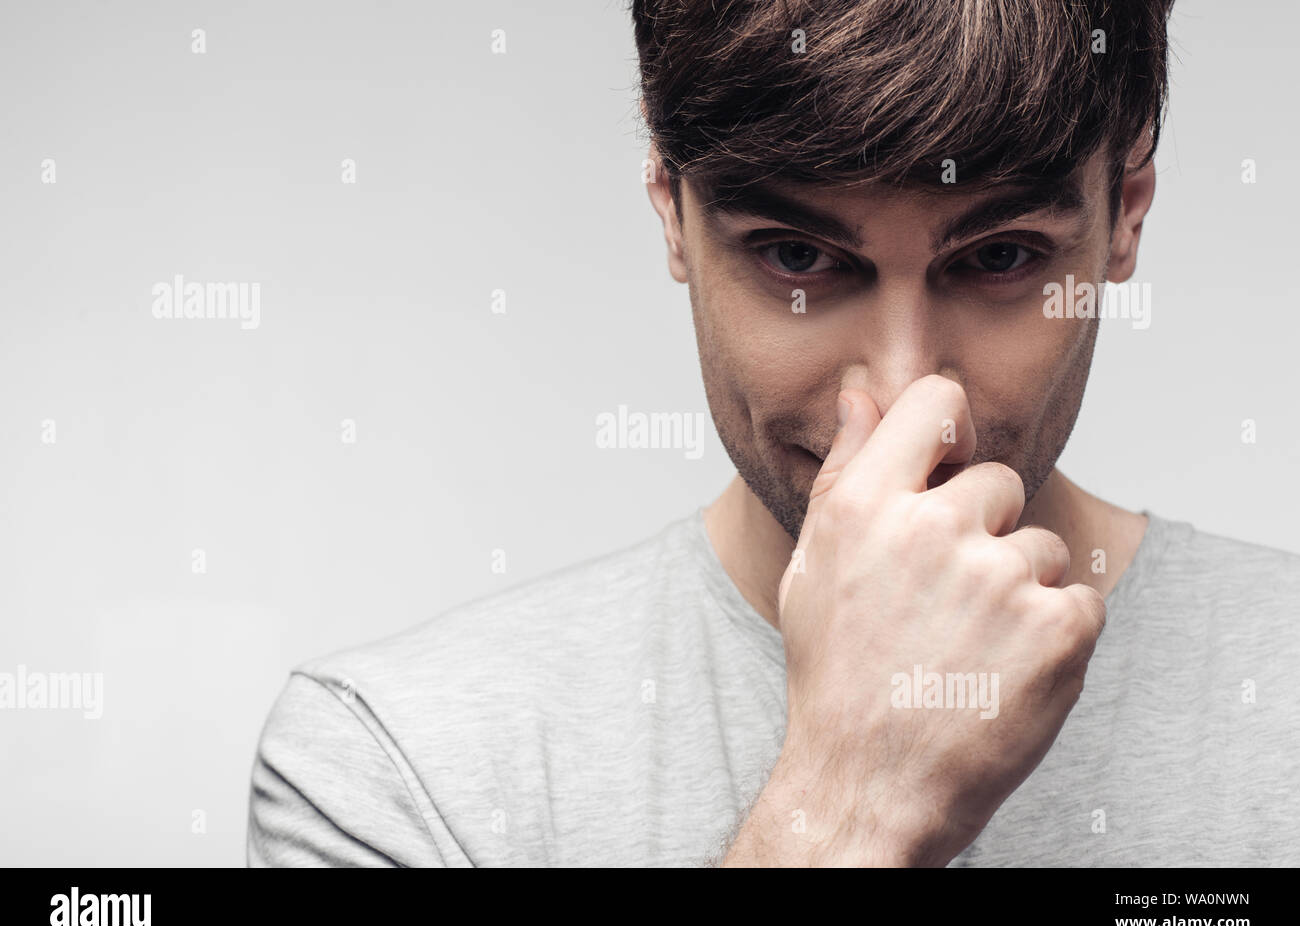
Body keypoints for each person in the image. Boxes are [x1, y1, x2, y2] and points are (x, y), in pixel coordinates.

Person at [247, 0, 1300, 866]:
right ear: (670, 208)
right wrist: (846, 808)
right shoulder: (396, 769)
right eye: (797, 258)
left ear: (1126, 212)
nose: (902, 398)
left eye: (998, 258)